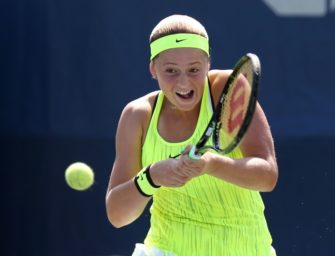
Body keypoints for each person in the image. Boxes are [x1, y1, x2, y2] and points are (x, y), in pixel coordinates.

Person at [105, 14, 278, 256]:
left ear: (208, 64)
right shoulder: (138, 115)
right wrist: (152, 177)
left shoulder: (229, 89)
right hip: (166, 250)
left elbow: (267, 176)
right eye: (171, 70)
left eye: (194, 69)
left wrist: (212, 164)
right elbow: (117, 215)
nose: (184, 82)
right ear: (153, 69)